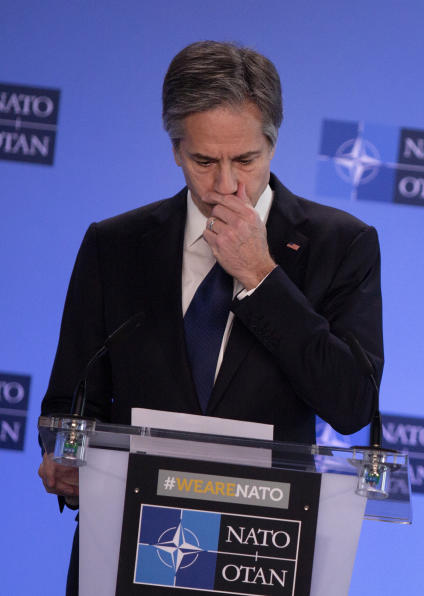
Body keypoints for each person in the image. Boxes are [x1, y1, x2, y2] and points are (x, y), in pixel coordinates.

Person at [36, 40, 383, 594]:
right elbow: (69, 402)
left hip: (263, 552)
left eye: (245, 160)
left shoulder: (342, 246)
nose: (226, 185)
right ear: (176, 149)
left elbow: (351, 403)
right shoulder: (115, 245)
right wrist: (65, 458)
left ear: (273, 142)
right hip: (127, 545)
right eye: (204, 161)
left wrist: (262, 277)